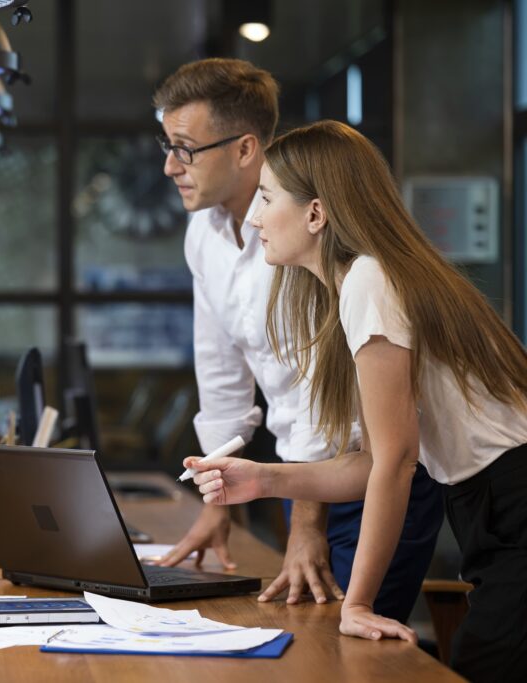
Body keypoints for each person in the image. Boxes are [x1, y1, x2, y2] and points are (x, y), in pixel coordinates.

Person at [188, 119, 527, 681]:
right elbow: (371, 462)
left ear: (316, 214)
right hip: (487, 505)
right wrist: (264, 479)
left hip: (511, 498)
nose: (253, 217)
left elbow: (395, 463)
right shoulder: (363, 282)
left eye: (267, 198)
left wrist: (359, 604)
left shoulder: (370, 281)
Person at [151, 58, 443, 622]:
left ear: (244, 149)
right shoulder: (204, 234)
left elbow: (320, 394)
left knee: (343, 640)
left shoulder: (300, 239)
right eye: (166, 145)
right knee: (311, 631)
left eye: (185, 148)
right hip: (309, 474)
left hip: (368, 469)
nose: (169, 166)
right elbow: (220, 373)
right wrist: (215, 502)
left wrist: (305, 526)